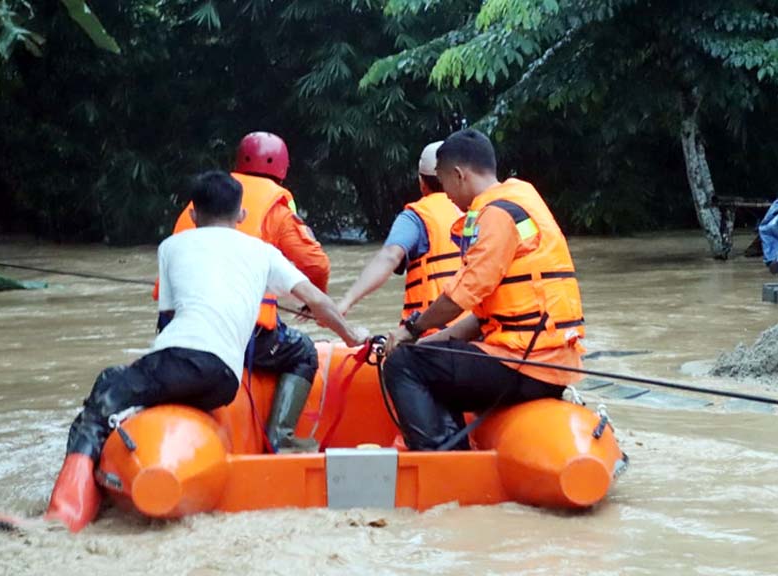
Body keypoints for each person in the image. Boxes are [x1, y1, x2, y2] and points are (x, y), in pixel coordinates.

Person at [40, 171, 368, 533]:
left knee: (106, 387)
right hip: (223, 381)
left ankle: (65, 513)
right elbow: (318, 300)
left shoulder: (171, 247)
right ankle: (281, 439)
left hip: (179, 360)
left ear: (193, 215)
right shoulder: (263, 252)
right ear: (241, 215)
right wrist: (352, 335)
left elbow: (166, 323)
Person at [382, 129, 586, 451]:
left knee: (402, 365)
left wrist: (410, 329)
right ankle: (456, 449)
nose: (446, 194)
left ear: (458, 175)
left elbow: (460, 296)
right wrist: (425, 340)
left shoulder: (496, 215)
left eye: (444, 182)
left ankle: (444, 462)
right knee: (420, 356)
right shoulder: (523, 200)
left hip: (524, 362)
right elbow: (481, 316)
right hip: (548, 360)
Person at [155, 132, 330, 453]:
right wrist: (314, 299)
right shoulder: (276, 205)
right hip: (248, 334)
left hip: (181, 339)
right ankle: (281, 437)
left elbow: (163, 300)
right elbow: (315, 263)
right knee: (304, 351)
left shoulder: (195, 208)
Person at [337, 142, 464, 333]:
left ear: (421, 182)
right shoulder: (478, 211)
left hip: (428, 337)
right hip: (476, 335)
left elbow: (389, 256)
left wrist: (345, 302)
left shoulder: (415, 217)